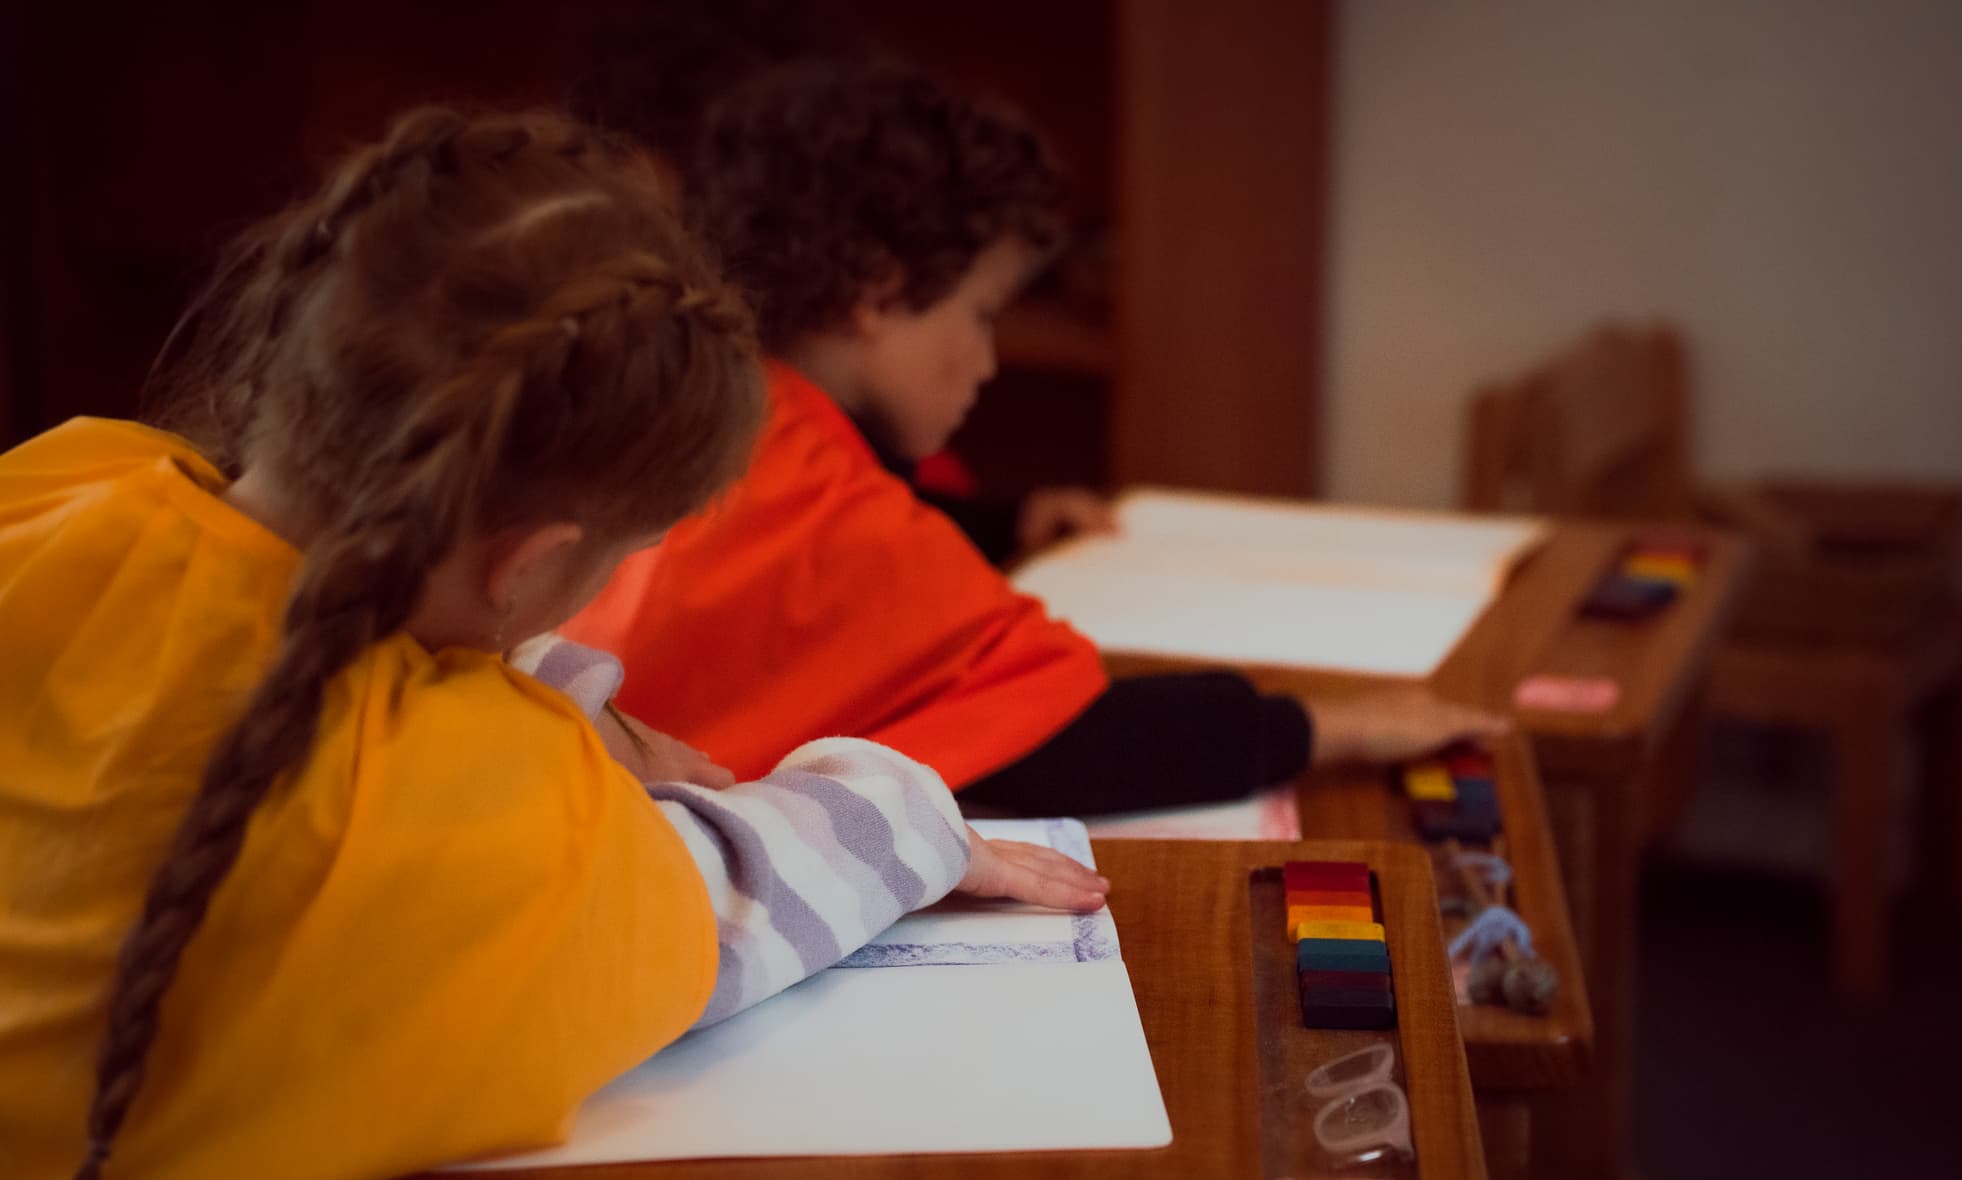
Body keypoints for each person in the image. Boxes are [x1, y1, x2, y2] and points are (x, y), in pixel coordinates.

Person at [0, 106, 1104, 1180]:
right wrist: (907, 818)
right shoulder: (452, 814)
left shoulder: (68, 486)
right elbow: (740, 898)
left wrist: (558, 697)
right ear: (526, 563)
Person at [567, 55, 1507, 814]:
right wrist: (1326, 726)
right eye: (981, 315)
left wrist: (1003, 524)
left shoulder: (725, 418)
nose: (987, 361)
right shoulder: (831, 507)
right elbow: (1064, 739)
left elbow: (801, 586)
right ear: (876, 294)